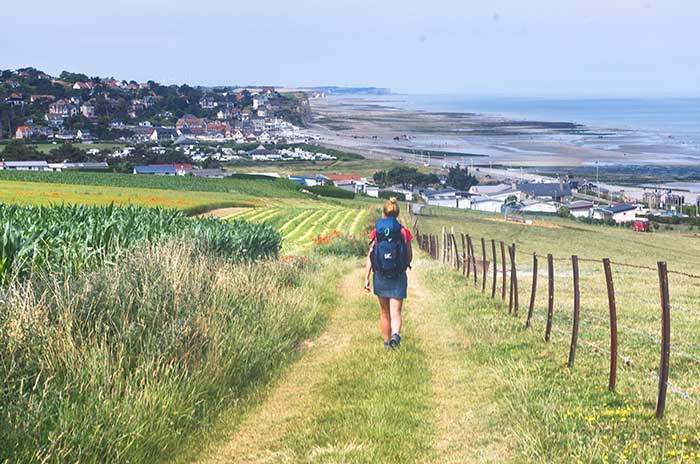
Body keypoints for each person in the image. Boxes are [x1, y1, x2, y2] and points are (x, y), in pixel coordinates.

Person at [364, 197, 413, 349]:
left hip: (380, 275)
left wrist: (366, 278)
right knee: (396, 311)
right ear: (397, 215)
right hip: (398, 275)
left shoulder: (376, 232)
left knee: (384, 311)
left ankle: (386, 344)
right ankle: (396, 336)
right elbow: (409, 255)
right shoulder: (404, 232)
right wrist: (404, 265)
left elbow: (371, 255)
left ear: (383, 214)